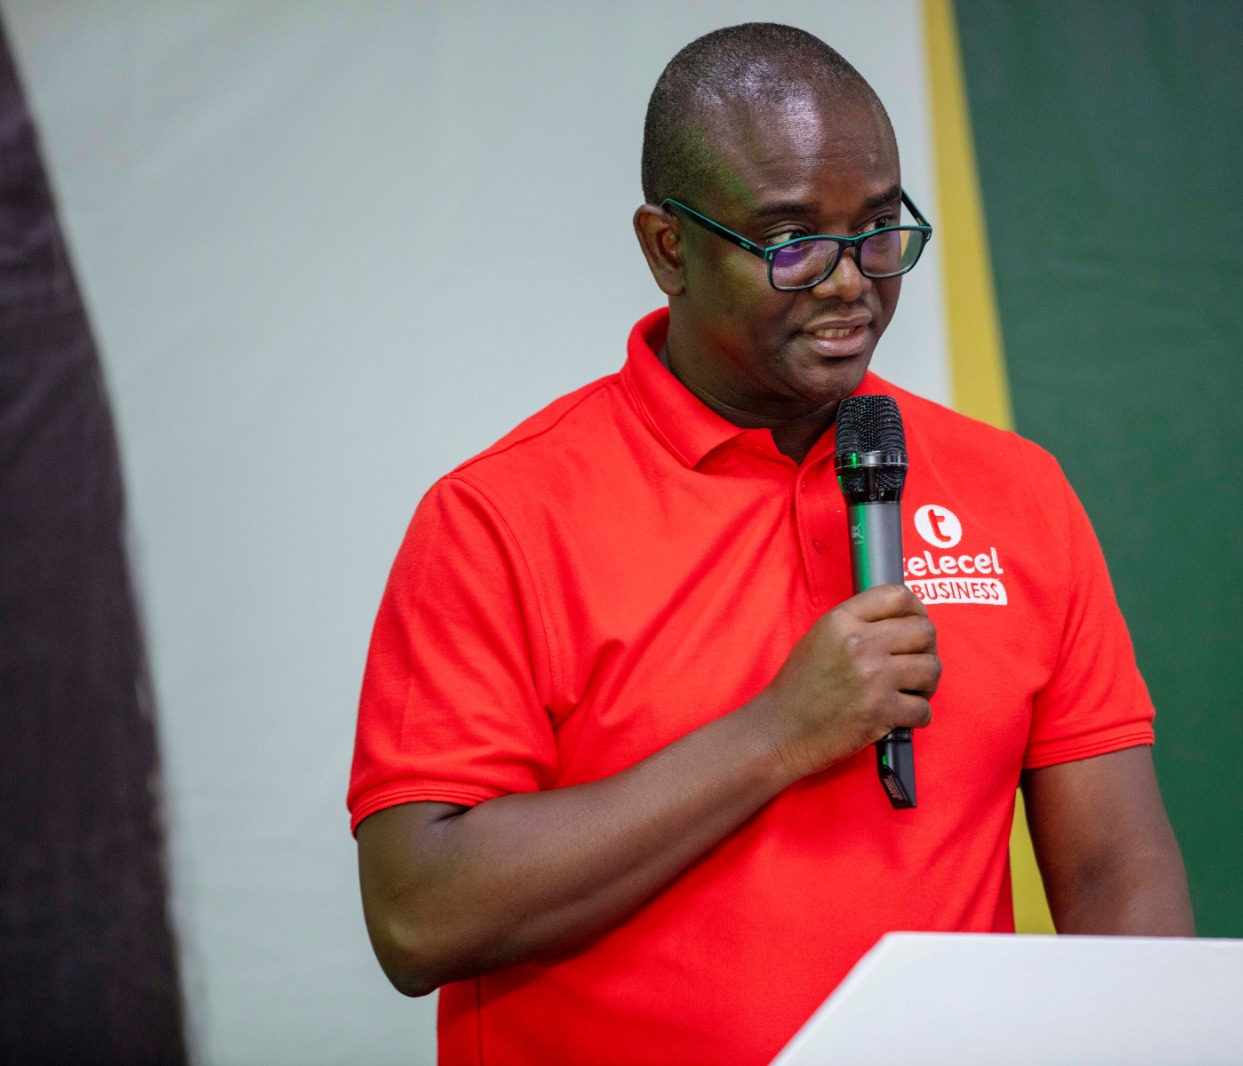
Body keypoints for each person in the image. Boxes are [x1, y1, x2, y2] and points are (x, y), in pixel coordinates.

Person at [348, 22, 1192, 1066]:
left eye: (879, 230)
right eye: (790, 243)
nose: (849, 282)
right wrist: (778, 732)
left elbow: (1118, 867)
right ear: (669, 248)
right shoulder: (501, 517)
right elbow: (418, 914)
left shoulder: (1017, 492)